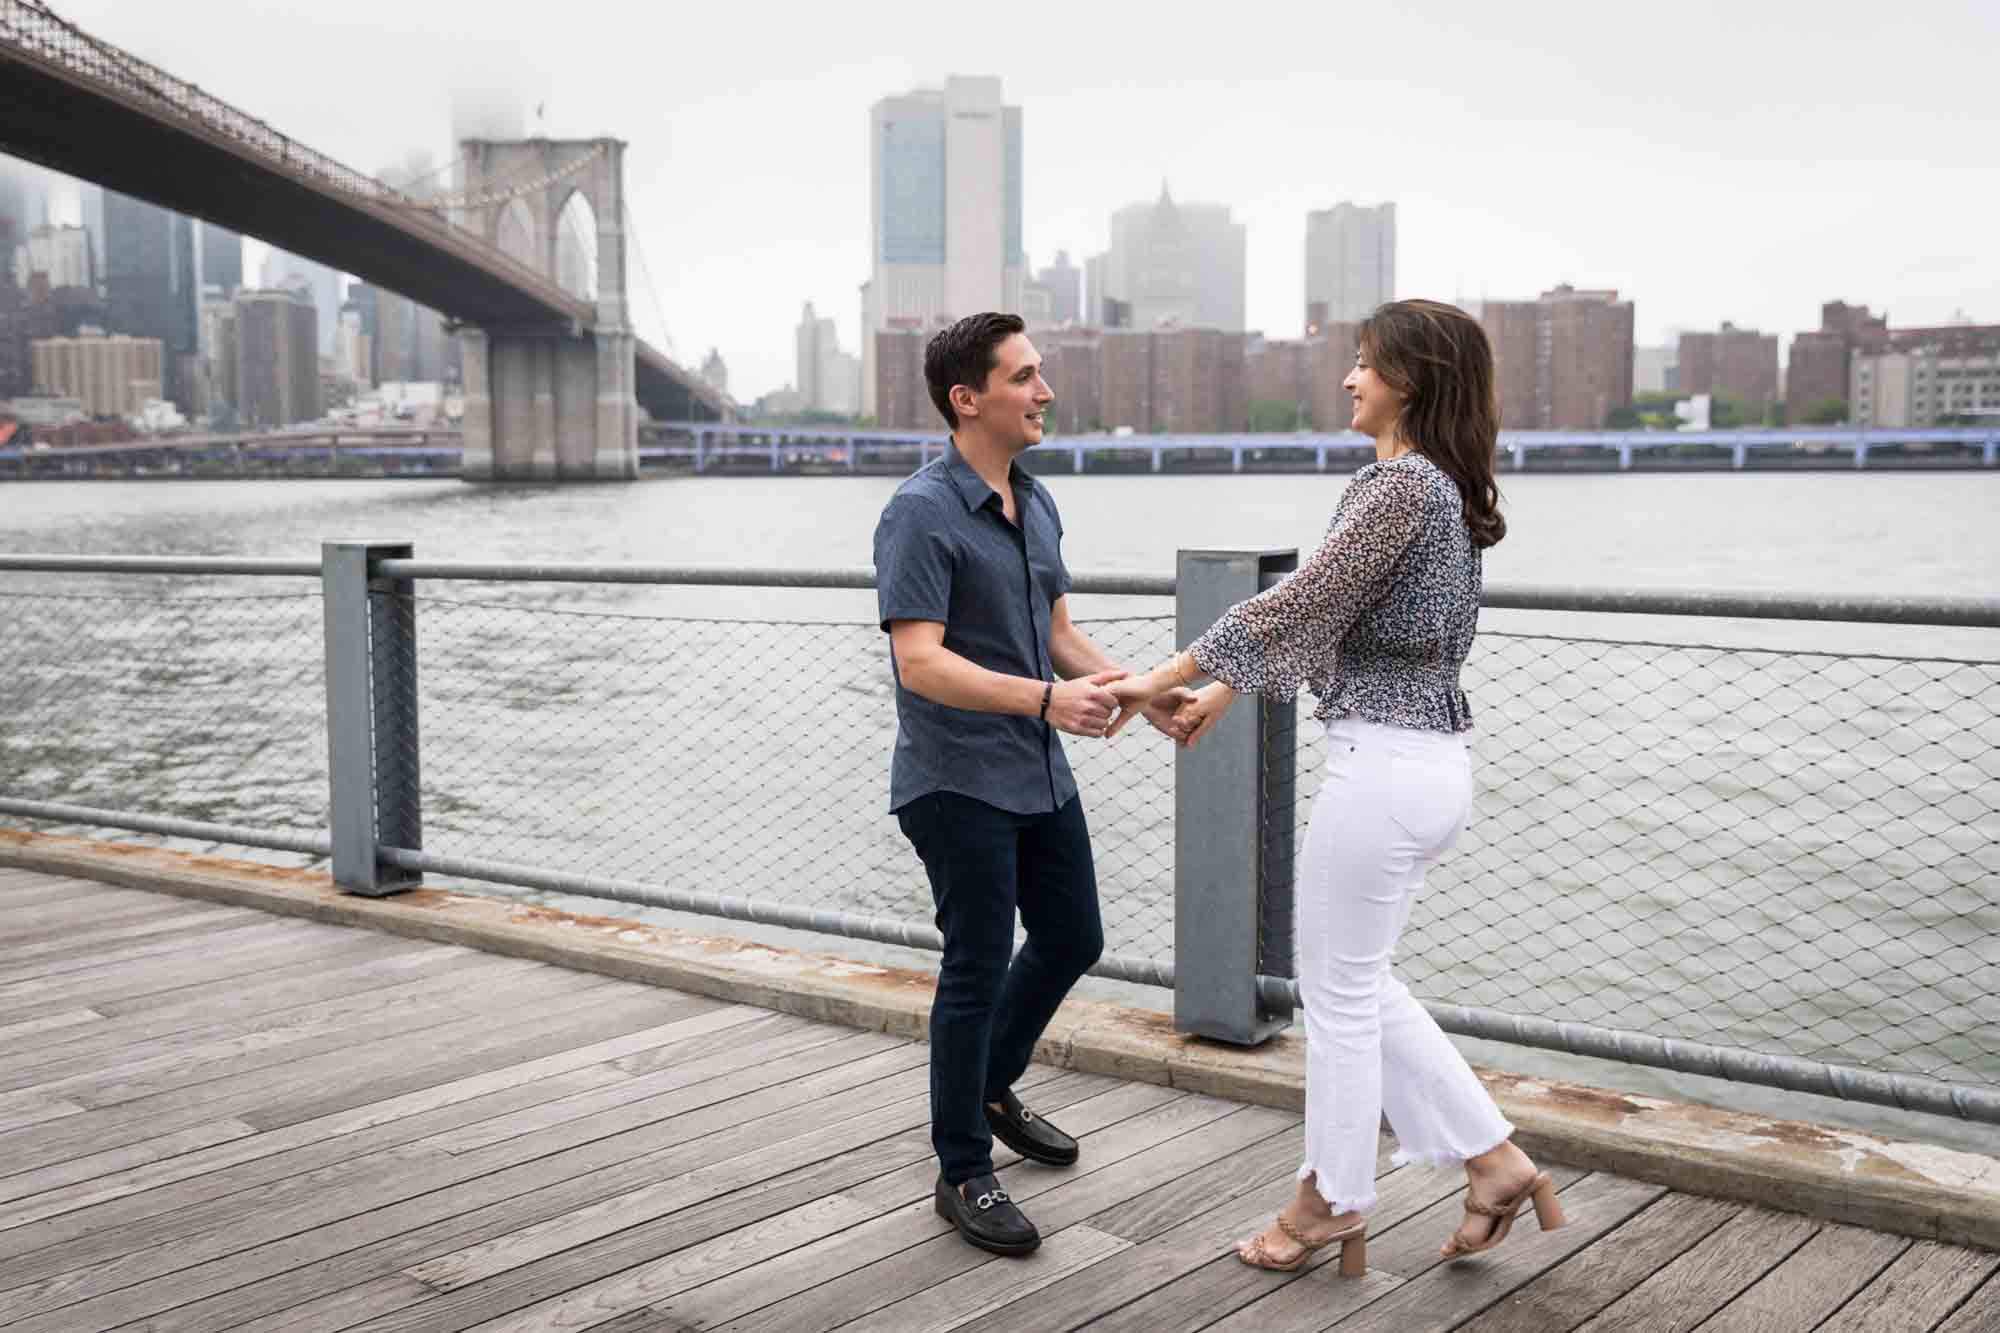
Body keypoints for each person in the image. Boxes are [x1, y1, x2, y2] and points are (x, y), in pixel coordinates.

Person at [1107, 299, 1563, 1277]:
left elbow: (1300, 599)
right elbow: (1335, 612)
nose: (1348, 380)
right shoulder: (1436, 489)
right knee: (1358, 985)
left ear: (1410, 377)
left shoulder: (1398, 487)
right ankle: (1493, 1161)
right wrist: (1224, 688)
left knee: (1340, 1003)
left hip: (1383, 768)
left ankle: (1326, 1204)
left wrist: (1164, 673)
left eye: (1364, 363)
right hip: (1426, 765)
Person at [873, 311, 1192, 1257]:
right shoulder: (919, 513)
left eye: (1041, 373)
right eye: (1024, 377)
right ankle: (962, 1165)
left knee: (1073, 935)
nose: (1045, 391)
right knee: (976, 961)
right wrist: (1046, 702)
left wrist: (1145, 690)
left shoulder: (1035, 500)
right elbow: (920, 662)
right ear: (966, 399)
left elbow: (1058, 633)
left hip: (1034, 767)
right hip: (954, 776)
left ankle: (988, 1083)